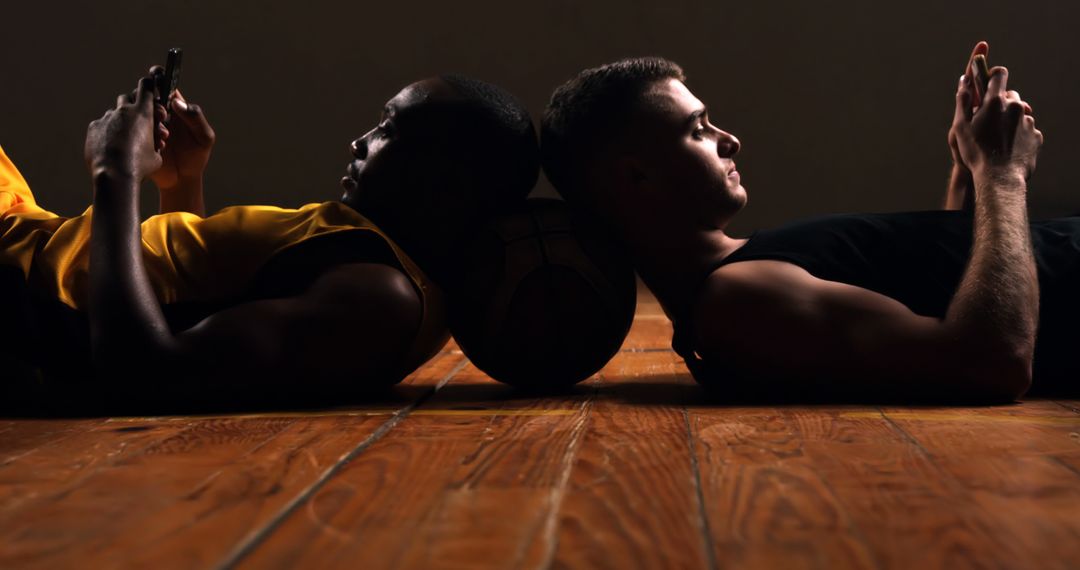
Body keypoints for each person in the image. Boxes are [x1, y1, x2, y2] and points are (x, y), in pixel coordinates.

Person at [540, 41, 1074, 403]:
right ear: (637, 179)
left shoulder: (743, 278)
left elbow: (944, 284)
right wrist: (1003, 176)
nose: (730, 140)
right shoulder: (739, 300)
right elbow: (990, 363)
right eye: (697, 129)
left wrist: (966, 169)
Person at [0, 68, 538, 395]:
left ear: (442, 182)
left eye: (388, 131)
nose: (360, 141)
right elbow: (192, 291)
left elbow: (143, 371)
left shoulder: (383, 296)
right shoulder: (373, 256)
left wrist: (114, 171)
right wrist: (182, 183)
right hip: (24, 231)